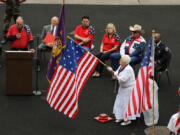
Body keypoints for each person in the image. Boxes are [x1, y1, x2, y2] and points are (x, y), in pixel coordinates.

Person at [107, 55, 140, 126]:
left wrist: (112, 72)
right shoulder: (121, 66)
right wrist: (112, 71)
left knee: (126, 104)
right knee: (119, 102)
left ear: (125, 62)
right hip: (122, 88)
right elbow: (116, 73)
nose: (119, 60)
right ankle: (120, 117)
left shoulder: (128, 69)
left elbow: (122, 79)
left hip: (128, 90)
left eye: (121, 59)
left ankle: (127, 120)